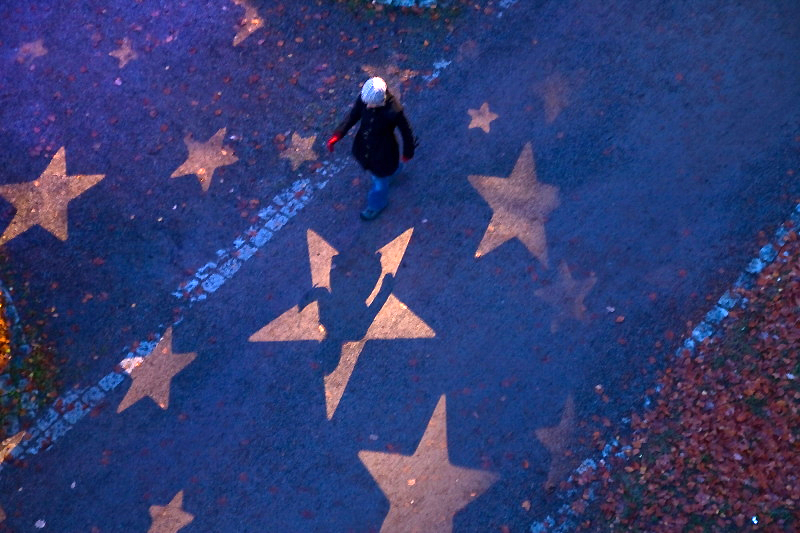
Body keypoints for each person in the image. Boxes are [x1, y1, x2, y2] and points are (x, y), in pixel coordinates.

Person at [327, 77, 417, 220]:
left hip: (384, 152)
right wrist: (339, 133)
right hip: (365, 145)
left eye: (371, 104)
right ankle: (394, 172)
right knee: (382, 172)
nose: (367, 106)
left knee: (379, 182)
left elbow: (406, 132)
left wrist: (408, 152)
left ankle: (377, 204)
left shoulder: (394, 110)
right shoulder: (366, 98)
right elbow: (353, 115)